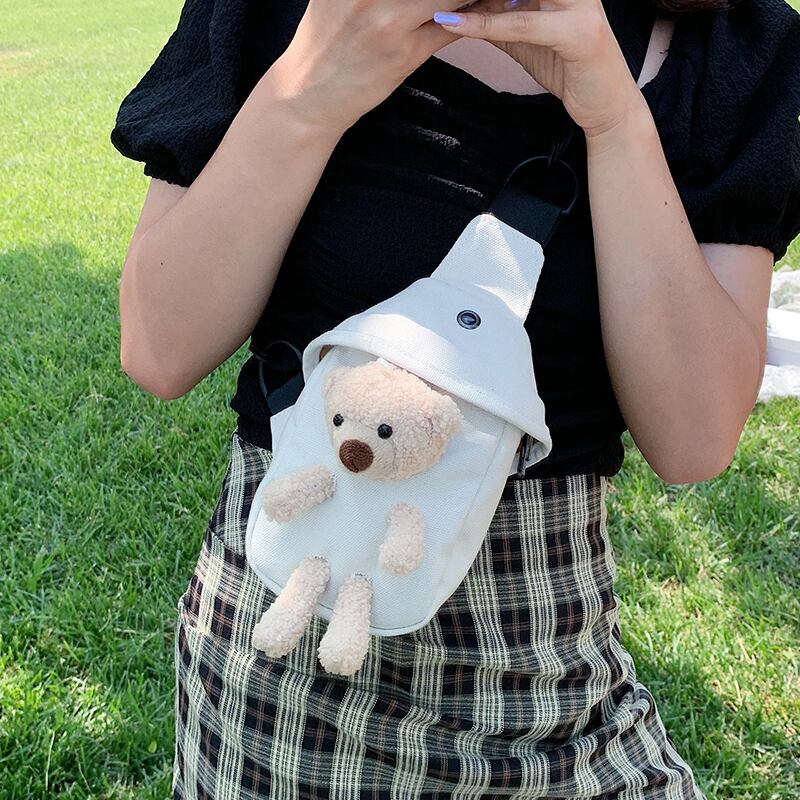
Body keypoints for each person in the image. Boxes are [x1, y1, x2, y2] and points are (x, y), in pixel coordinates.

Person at [110, 0, 800, 796]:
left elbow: (695, 438)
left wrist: (615, 121)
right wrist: (307, 94)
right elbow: (158, 349)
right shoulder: (276, 12)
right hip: (280, 670)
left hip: (551, 688)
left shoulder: (732, 48)